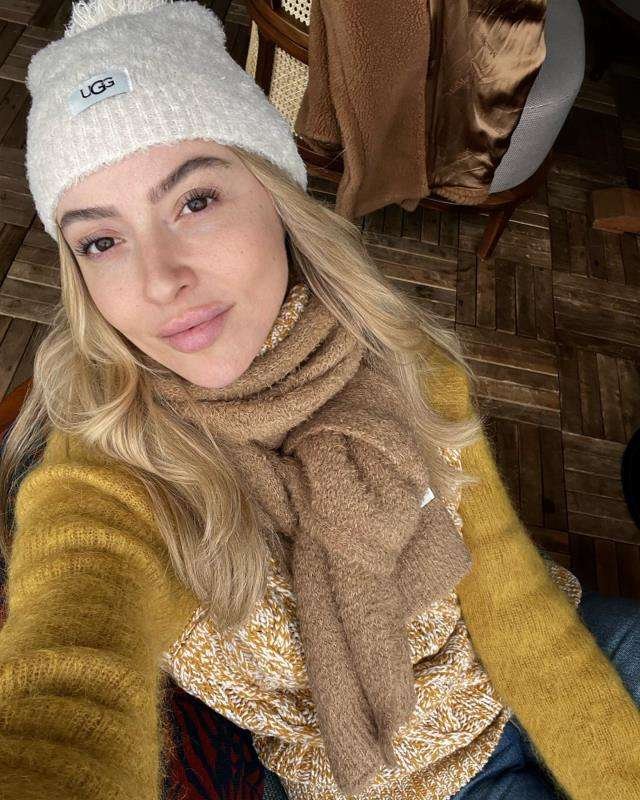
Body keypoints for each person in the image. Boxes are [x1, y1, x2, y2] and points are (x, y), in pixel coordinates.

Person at [0, 1, 639, 799]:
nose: (160, 280)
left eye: (195, 202)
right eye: (101, 240)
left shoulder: (402, 357)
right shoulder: (112, 474)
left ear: (276, 194)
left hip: (557, 654)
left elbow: (512, 599)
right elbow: (69, 678)